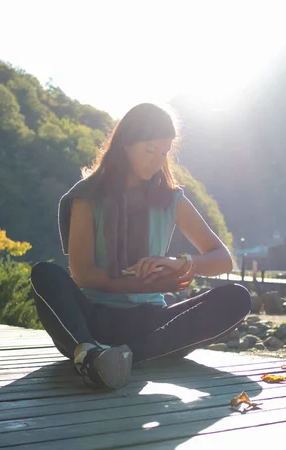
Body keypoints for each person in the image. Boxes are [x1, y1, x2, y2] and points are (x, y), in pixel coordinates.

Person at [30, 103, 251, 390]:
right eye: (150, 151)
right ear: (124, 145)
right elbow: (83, 274)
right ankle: (90, 352)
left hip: (150, 324)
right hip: (91, 318)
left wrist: (180, 262)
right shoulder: (86, 196)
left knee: (237, 297)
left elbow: (223, 259)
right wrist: (144, 285)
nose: (157, 161)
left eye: (164, 153)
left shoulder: (171, 199)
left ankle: (119, 359)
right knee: (44, 275)